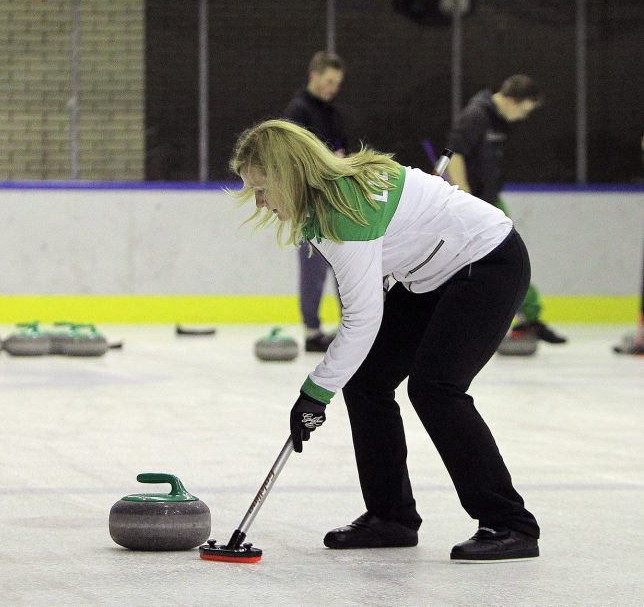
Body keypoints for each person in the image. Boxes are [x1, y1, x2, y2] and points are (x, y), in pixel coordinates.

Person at [230, 119, 540, 562]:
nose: (260, 202)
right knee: (366, 380)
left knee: (435, 388)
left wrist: (314, 394)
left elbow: (361, 320)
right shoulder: (329, 204)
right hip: (433, 274)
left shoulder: (343, 211)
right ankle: (391, 516)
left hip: (487, 261)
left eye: (262, 189)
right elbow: (371, 288)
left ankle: (511, 523)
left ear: (288, 175)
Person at [446, 74, 567, 345]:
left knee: (509, 258)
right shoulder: (476, 115)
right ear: (512, 100)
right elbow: (453, 154)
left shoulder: (496, 120)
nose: (524, 117)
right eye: (524, 110)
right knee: (507, 260)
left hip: (487, 201)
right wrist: (466, 197)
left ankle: (528, 316)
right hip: (474, 204)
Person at [281, 51, 352, 352]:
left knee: (343, 265)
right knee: (313, 266)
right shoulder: (297, 112)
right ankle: (312, 331)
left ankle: (350, 327)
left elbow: (342, 148)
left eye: (336, 83)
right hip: (309, 201)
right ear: (313, 76)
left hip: (333, 199)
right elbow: (291, 155)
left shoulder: (331, 112)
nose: (331, 87)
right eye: (328, 81)